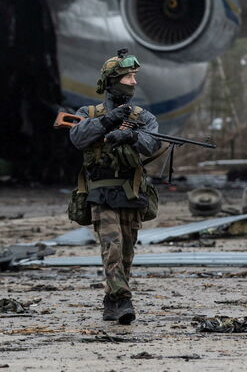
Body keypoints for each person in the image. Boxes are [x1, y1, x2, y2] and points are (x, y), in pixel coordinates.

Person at [69, 50, 160, 324]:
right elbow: (77, 137)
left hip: (131, 192)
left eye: (134, 76)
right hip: (100, 192)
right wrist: (108, 121)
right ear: (112, 81)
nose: (133, 82)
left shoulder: (143, 117)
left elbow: (151, 144)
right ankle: (123, 299)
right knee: (113, 247)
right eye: (128, 76)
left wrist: (130, 134)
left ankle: (111, 301)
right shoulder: (89, 113)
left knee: (127, 253)